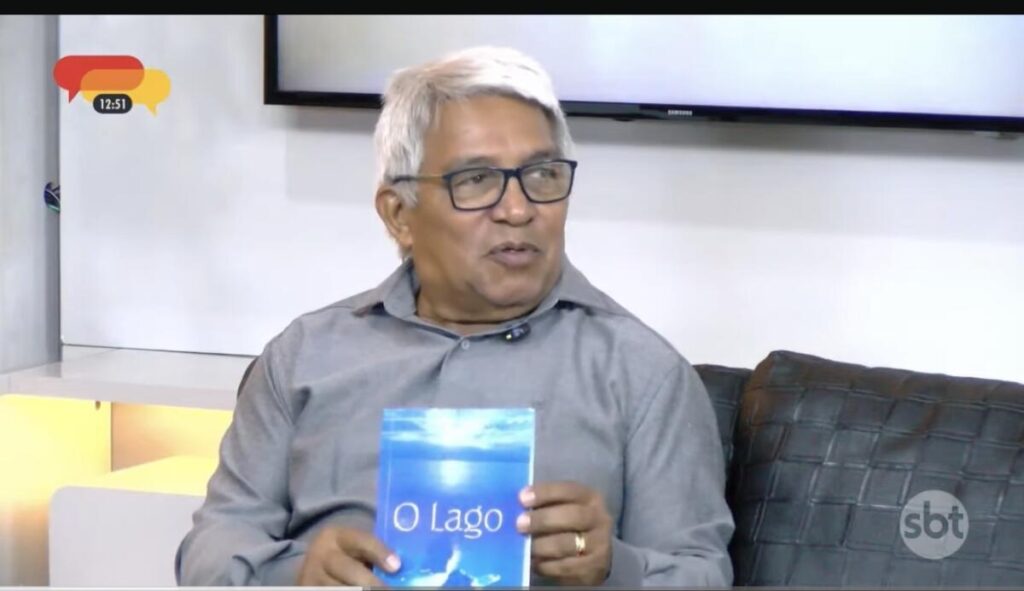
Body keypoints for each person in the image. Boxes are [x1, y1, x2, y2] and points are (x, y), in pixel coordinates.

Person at [175, 45, 734, 588]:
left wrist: (613, 567)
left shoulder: (642, 372)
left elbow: (702, 572)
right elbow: (211, 549)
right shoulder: (306, 355)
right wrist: (295, 574)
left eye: (542, 175)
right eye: (476, 180)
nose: (518, 209)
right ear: (399, 214)